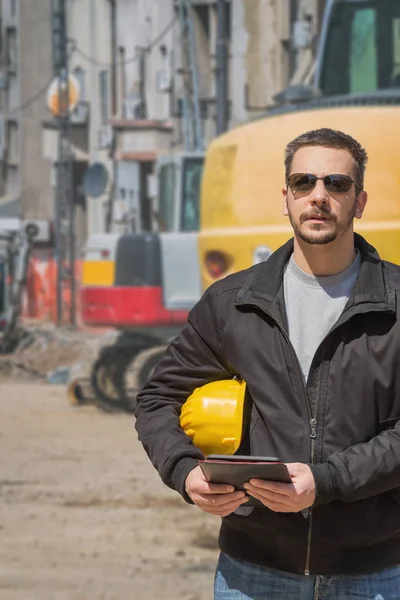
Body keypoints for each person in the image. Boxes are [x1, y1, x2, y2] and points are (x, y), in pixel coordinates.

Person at [135, 128, 400, 599]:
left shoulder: (396, 304)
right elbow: (157, 397)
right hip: (254, 572)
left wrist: (328, 481)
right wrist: (185, 471)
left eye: (337, 184)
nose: (319, 196)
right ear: (286, 197)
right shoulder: (232, 303)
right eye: (304, 183)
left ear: (359, 202)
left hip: (375, 572)